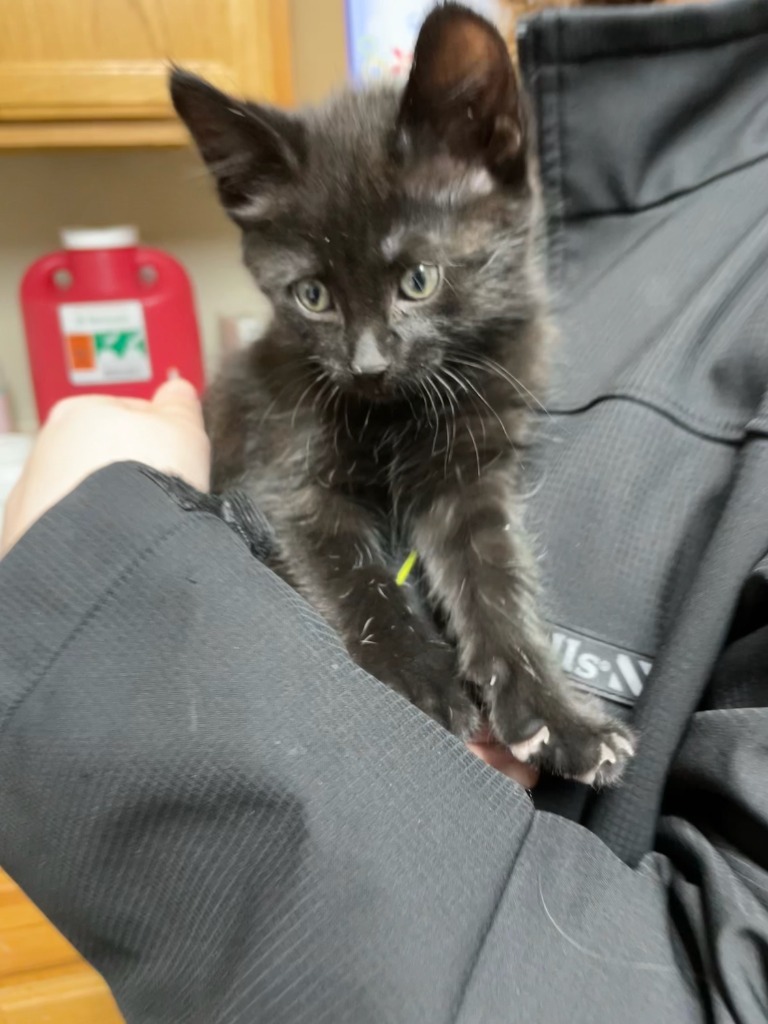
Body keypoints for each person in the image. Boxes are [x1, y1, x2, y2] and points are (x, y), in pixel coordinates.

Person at [2, 0, 768, 1020]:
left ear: (490, 147)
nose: (364, 355)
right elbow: (308, 509)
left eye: (411, 280)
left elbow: (468, 505)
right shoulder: (301, 380)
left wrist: (510, 679)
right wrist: (404, 670)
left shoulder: (527, 317)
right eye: (317, 297)